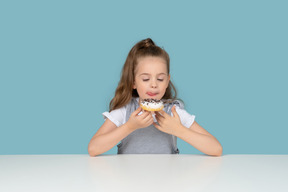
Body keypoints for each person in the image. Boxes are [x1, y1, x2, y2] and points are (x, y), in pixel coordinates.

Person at [88, 38, 223, 156]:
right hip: (129, 180)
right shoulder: (125, 111)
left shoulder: (173, 112)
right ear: (133, 82)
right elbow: (93, 148)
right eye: (146, 79)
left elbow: (216, 149)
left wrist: (179, 130)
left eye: (160, 79)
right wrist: (129, 126)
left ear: (167, 81)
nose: (153, 84)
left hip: (166, 180)